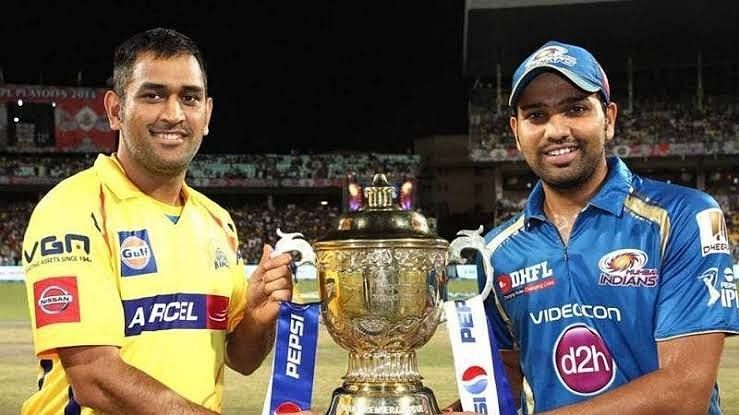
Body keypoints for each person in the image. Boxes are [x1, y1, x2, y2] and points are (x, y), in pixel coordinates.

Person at [446, 40, 739, 414]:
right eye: (537, 116)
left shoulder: (685, 217)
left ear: (609, 118)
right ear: (517, 132)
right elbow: (506, 379)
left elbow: (684, 392)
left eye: (576, 109)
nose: (556, 130)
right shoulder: (492, 251)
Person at [21, 27, 296, 414]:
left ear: (207, 114)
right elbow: (95, 378)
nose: (173, 114)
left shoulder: (218, 222)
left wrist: (257, 318)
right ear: (115, 110)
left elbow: (241, 359)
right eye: (153, 95)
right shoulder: (72, 209)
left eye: (189, 98)